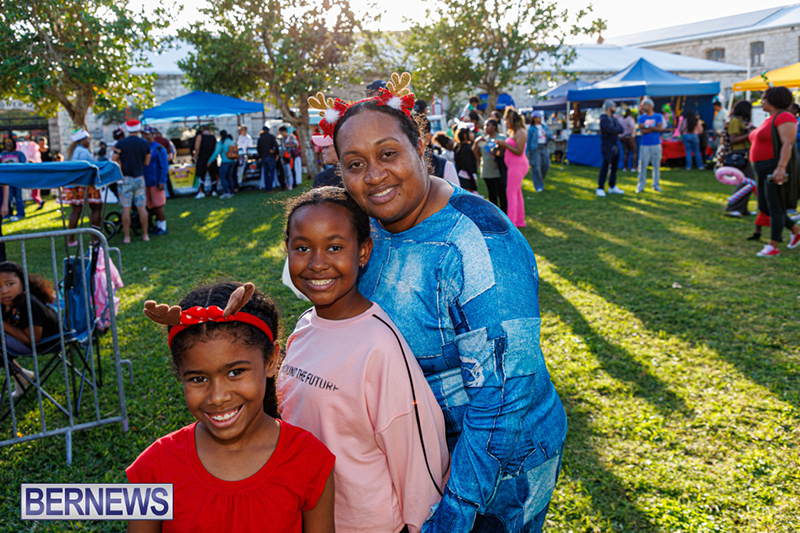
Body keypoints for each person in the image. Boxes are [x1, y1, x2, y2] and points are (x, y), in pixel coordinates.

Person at [318, 78, 566, 531]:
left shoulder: (479, 244)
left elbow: (504, 401)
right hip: (419, 449)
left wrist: (454, 515)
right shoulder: (370, 226)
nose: (373, 175)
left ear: (420, 144)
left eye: (388, 153)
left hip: (497, 466)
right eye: (355, 163)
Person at [279, 187, 449, 533]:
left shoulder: (380, 346)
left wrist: (419, 525)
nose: (317, 262)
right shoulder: (305, 325)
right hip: (306, 516)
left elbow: (419, 459)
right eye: (302, 248)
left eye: (335, 247)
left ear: (363, 252)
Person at [129, 281, 335, 532]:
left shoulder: (309, 460)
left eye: (236, 372)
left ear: (271, 359)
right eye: (198, 379)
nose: (217, 397)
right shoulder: (153, 469)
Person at [747, 86, 800, 257]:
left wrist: (781, 167)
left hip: (773, 167)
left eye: (764, 98)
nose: (761, 102)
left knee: (776, 206)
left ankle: (773, 245)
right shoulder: (769, 118)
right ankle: (795, 229)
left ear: (774, 99)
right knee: (764, 206)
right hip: (761, 168)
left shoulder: (785, 116)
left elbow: (788, 144)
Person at [0, 261, 59, 398]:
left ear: (22, 283)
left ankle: (21, 374)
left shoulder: (29, 304)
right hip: (22, 339)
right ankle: (21, 374)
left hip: (46, 342)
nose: (4, 291)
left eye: (10, 284)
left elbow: (32, 340)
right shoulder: (6, 302)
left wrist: (2, 324)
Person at [112, 120, 151, 244]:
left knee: (126, 208)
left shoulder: (120, 144)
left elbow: (113, 161)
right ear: (139, 129)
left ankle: (127, 237)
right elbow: (147, 162)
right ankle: (145, 235)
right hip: (139, 177)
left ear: (127, 130)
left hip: (125, 178)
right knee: (142, 207)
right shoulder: (145, 144)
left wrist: (120, 162)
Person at [62, 128, 104, 245]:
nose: (88, 141)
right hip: (86, 183)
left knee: (75, 211)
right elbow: (93, 167)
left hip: (72, 185)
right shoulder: (84, 152)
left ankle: (70, 240)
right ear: (81, 140)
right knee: (96, 208)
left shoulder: (71, 152)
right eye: (87, 139)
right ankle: (95, 238)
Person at [720, 101, 755, 217]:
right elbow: (733, 139)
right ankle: (734, 208)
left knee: (747, 182)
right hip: (738, 154)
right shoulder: (734, 121)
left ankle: (742, 208)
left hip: (744, 153)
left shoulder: (740, 121)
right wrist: (749, 134)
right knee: (746, 182)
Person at [497, 107, 530, 227]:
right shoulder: (516, 132)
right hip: (514, 166)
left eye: (506, 120)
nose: (505, 123)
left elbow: (519, 151)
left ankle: (511, 223)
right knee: (516, 193)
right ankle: (519, 221)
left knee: (510, 192)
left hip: (518, 166)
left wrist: (504, 144)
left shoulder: (521, 132)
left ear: (511, 120)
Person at [416, 114, 459, 187]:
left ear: (427, 138)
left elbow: (455, 197)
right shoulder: (397, 169)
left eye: (413, 136)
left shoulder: (444, 167)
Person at [474, 118, 507, 212]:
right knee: (491, 195)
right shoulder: (483, 139)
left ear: (494, 127)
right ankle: (495, 214)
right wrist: (477, 142)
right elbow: (475, 153)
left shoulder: (501, 138)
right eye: (485, 125)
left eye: (487, 125)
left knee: (501, 194)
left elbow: (506, 153)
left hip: (499, 171)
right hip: (487, 171)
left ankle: (505, 214)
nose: (485, 128)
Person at [142, 127, 169, 235]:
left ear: (153, 135)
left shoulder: (159, 149)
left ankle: (162, 227)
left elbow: (164, 166)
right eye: (143, 134)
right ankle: (155, 225)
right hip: (145, 181)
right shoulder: (143, 147)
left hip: (155, 181)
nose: (145, 136)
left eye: (147, 134)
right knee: (150, 205)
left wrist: (162, 181)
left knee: (158, 205)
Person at [637, 97, 667, 193]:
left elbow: (660, 129)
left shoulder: (658, 116)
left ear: (650, 105)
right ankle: (641, 185)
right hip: (645, 144)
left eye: (644, 105)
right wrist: (653, 128)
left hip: (656, 144)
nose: (643, 107)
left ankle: (656, 185)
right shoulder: (641, 117)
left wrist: (647, 126)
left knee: (656, 165)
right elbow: (642, 131)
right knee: (643, 166)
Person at [597, 100, 625, 197]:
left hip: (615, 144)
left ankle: (612, 186)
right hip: (607, 145)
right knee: (605, 164)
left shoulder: (614, 119)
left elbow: (621, 129)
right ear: (609, 108)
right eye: (614, 107)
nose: (615, 108)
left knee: (614, 165)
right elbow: (609, 129)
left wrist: (615, 130)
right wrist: (615, 130)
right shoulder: (603, 119)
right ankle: (600, 187)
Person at [1, 137, 26, 221]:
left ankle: (20, 213)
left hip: (17, 179)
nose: (8, 146)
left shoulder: (19, 154)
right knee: (8, 197)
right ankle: (7, 213)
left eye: (10, 145)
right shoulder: (3, 155)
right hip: (7, 180)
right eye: (6, 145)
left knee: (18, 197)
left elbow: (23, 165)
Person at [207, 129, 237, 199]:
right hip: (232, 161)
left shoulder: (221, 143)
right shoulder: (230, 141)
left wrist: (209, 161)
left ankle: (226, 192)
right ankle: (232, 192)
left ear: (220, 135)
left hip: (225, 161)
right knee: (230, 177)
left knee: (223, 177)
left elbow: (216, 153)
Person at [526, 111, 551, 192]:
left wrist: (546, 133)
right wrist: (526, 152)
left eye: (539, 117)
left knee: (545, 165)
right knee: (536, 167)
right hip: (534, 149)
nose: (538, 119)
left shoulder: (544, 127)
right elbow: (528, 140)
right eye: (536, 117)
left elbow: (549, 136)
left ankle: (540, 179)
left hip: (544, 147)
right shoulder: (531, 128)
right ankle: (538, 186)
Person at [192, 124, 217, 199]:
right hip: (211, 159)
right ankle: (214, 191)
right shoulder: (213, 137)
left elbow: (197, 148)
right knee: (213, 175)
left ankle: (201, 191)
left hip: (202, 159)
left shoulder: (200, 137)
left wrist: (195, 157)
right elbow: (215, 149)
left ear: (203, 129)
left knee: (201, 175)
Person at [453, 128, 478, 192]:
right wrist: (473, 182)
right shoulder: (466, 149)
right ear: (465, 135)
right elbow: (468, 166)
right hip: (467, 179)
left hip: (462, 178)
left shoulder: (459, 147)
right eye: (470, 133)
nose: (472, 134)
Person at [257, 124, 281, 191]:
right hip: (270, 157)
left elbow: (258, 148)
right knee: (271, 173)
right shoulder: (271, 137)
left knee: (266, 173)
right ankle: (270, 188)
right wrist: (276, 153)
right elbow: (276, 146)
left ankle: (267, 188)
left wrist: (261, 155)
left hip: (264, 157)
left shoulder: (260, 139)